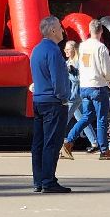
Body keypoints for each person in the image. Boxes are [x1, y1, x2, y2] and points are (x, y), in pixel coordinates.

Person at [62, 21, 110, 160]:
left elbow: (83, 65)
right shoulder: (101, 48)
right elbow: (106, 70)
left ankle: (68, 142)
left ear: (89, 30)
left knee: (86, 116)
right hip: (98, 86)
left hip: (84, 86)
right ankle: (104, 150)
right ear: (101, 32)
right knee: (101, 119)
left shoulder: (83, 46)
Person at [30, 15, 73, 194]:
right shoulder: (54, 51)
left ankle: (39, 180)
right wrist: (64, 97)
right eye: (60, 28)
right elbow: (59, 79)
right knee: (52, 143)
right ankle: (48, 180)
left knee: (39, 142)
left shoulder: (37, 50)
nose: (63, 31)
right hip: (53, 102)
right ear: (53, 30)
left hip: (39, 99)